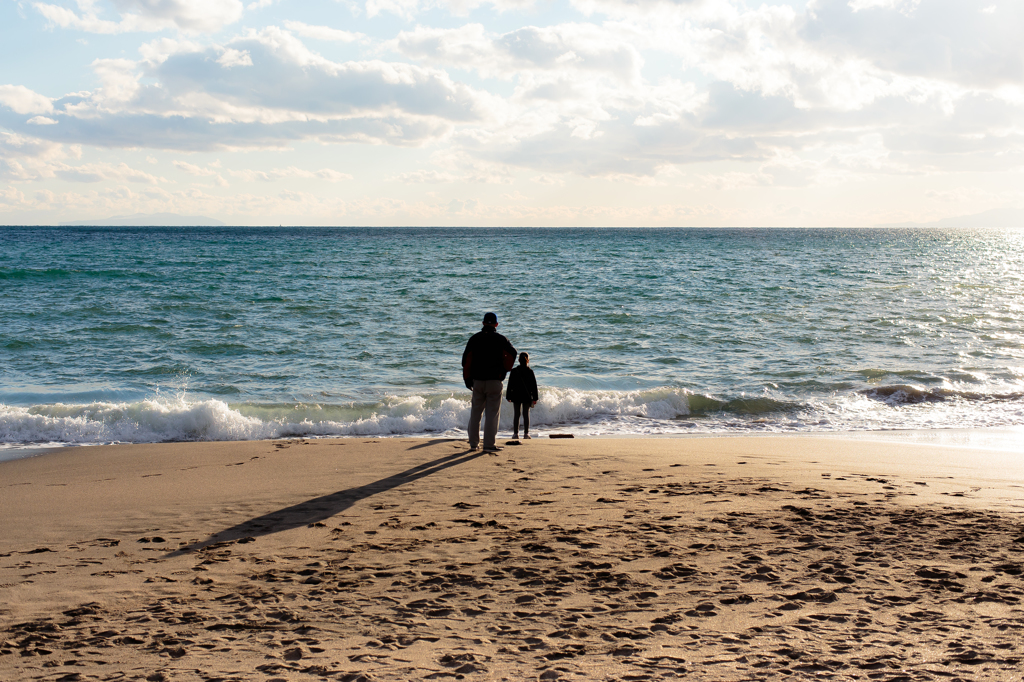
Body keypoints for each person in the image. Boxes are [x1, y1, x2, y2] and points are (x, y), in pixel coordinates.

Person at [462, 312, 516, 452]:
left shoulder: (474, 339)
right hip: (494, 380)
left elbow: (466, 360)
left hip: (478, 381)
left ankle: (473, 444)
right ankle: (489, 445)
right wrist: (505, 369)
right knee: (492, 414)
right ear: (496, 325)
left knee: (476, 413)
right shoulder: (501, 339)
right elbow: (513, 353)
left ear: (483, 323)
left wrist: (467, 379)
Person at [506, 352, 539, 440]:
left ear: (519, 360)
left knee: (517, 415)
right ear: (528, 360)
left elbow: (510, 385)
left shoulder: (514, 371)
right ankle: (526, 434)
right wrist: (535, 398)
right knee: (526, 415)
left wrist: (508, 396)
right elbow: (534, 386)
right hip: (527, 396)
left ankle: (515, 434)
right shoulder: (530, 371)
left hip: (516, 396)